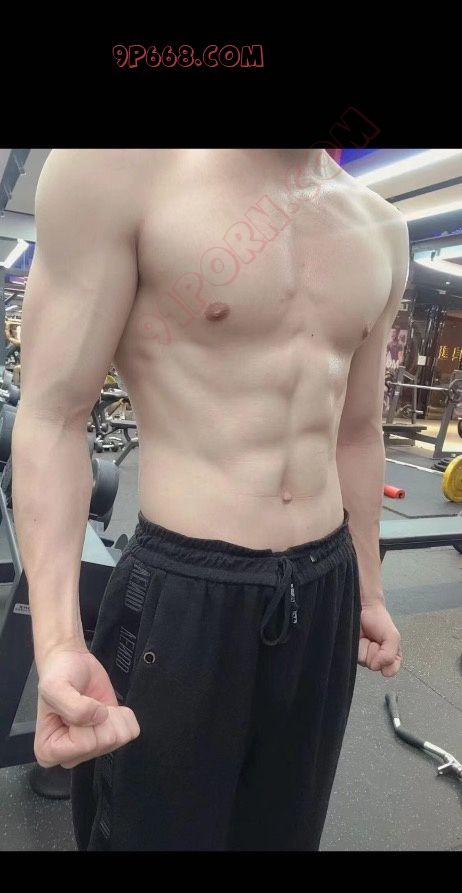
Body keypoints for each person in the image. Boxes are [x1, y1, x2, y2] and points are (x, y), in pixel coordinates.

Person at [12, 149, 408, 852]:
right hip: (186, 594)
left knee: (285, 833)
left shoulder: (381, 227)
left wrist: (369, 590)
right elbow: (54, 417)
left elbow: (357, 431)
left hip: (325, 588)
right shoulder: (116, 172)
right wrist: (59, 641)